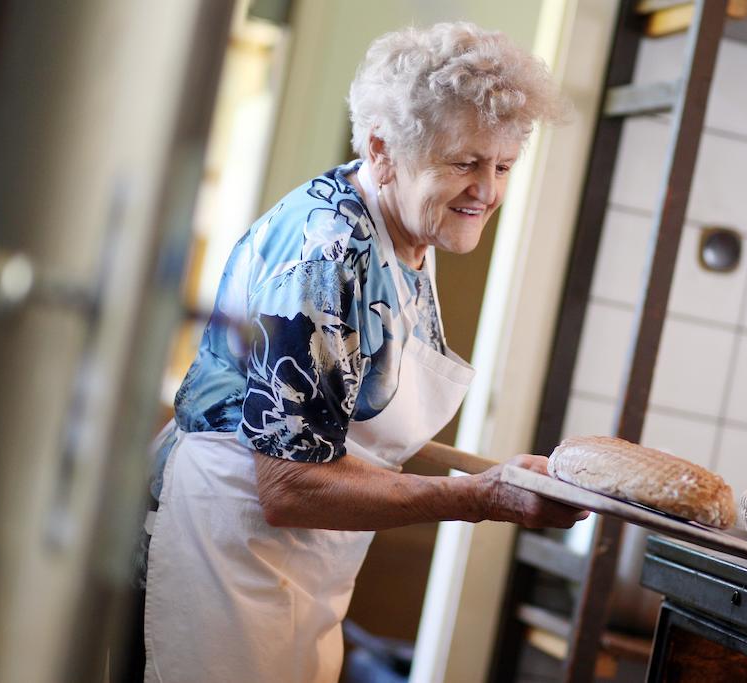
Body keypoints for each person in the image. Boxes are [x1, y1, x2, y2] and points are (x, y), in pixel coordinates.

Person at [142, 21, 585, 683]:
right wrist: (481, 499)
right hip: (225, 544)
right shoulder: (324, 253)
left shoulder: (409, 234)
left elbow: (350, 425)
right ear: (382, 150)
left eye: (503, 166)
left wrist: (496, 475)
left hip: (298, 566)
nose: (488, 190)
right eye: (465, 162)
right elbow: (289, 485)